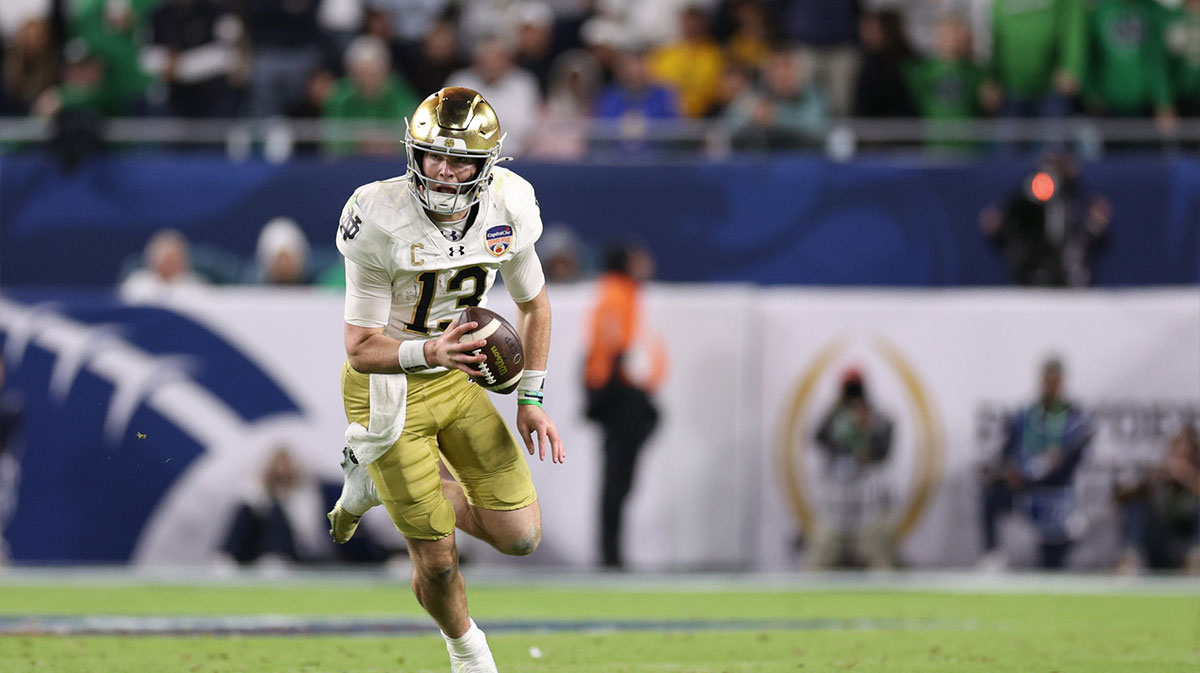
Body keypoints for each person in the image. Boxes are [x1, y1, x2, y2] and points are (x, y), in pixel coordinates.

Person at [326, 86, 564, 673]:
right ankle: (469, 655)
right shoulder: (377, 214)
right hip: (388, 389)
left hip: (456, 380)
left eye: (458, 159)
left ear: (487, 166)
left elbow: (535, 306)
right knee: (436, 559)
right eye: (432, 154)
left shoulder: (509, 205)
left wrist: (530, 398)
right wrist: (432, 348)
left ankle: (380, 482)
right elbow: (359, 349)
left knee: (519, 535)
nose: (442, 168)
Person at [583, 243, 665, 569]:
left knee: (619, 477)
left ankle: (611, 551)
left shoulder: (622, 293)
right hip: (619, 392)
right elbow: (614, 346)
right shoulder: (616, 295)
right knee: (617, 478)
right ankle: (610, 554)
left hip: (619, 390)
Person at [979, 357, 1093, 569]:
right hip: (1024, 490)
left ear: (1061, 382)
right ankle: (993, 555)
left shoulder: (1074, 419)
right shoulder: (1025, 415)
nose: (1050, 386)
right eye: (1047, 380)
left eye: (1055, 381)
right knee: (992, 495)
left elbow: (1069, 464)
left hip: (1056, 494)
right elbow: (1008, 450)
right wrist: (1006, 471)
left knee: (1051, 561)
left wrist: (1034, 475)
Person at [980, 152, 1111, 287]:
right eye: (1053, 167)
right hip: (1033, 273)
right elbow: (1009, 223)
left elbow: (1093, 238)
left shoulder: (1079, 199)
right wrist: (1000, 223)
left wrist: (1095, 224)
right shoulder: (1027, 196)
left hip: (1069, 276)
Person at [809, 368, 896, 570]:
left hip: (868, 502)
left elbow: (883, 450)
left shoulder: (878, 418)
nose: (852, 396)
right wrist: (837, 417)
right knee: (817, 563)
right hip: (836, 502)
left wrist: (867, 428)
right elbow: (819, 438)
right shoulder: (832, 417)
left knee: (881, 560)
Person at [221, 446, 334, 566]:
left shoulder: (309, 496)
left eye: (287, 468)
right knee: (251, 509)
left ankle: (277, 554)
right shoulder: (260, 495)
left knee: (277, 512)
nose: (282, 472)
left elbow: (310, 534)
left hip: (302, 551)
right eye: (278, 468)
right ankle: (229, 557)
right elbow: (249, 501)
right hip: (262, 552)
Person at [1113, 426, 1200, 573]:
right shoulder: (1160, 476)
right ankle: (1129, 558)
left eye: (1185, 456)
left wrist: (1187, 476)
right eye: (1176, 455)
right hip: (1160, 545)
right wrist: (1151, 481)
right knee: (1137, 505)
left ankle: (1196, 559)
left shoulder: (1194, 477)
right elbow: (1119, 498)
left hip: (1185, 545)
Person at [119, 229, 209, 302]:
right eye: (166, 260)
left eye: (174, 260)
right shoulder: (137, 283)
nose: (170, 265)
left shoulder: (195, 285)